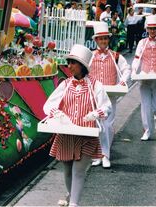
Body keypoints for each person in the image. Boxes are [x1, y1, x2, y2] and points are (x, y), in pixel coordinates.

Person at [43, 44, 112, 207]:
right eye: (69, 62)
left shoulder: (95, 85)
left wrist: (97, 113)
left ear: (82, 65)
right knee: (67, 171)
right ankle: (71, 197)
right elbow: (48, 105)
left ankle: (74, 203)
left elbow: (106, 106)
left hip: (86, 133)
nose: (69, 66)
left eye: (73, 62)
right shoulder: (65, 84)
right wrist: (56, 113)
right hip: (66, 133)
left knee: (79, 172)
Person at [89, 22, 131, 168]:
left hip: (110, 95)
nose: (103, 42)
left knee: (107, 125)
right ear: (96, 41)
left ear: (108, 40)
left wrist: (122, 82)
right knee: (96, 124)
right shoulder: (90, 56)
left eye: (105, 39)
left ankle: (105, 155)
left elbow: (126, 69)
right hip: (94, 95)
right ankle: (97, 155)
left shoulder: (116, 56)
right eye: (100, 39)